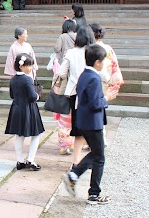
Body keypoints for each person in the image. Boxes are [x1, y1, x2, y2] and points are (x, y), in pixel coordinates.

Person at [63, 44, 118, 205]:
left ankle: (74, 176)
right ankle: (93, 193)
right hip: (92, 122)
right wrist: (106, 98)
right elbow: (95, 103)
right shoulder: (94, 78)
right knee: (99, 157)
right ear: (98, 63)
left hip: (84, 120)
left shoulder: (84, 74)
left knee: (96, 153)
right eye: (104, 61)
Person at [56, 26, 107, 166]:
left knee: (78, 129)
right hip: (92, 93)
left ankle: (76, 161)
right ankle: (93, 156)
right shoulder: (93, 52)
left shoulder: (71, 53)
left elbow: (61, 73)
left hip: (74, 93)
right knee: (93, 127)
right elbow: (102, 73)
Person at [5, 53, 45, 171]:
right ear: (21, 66)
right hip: (29, 109)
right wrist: (37, 95)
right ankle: (31, 160)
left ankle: (20, 160)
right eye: (29, 65)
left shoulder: (13, 79)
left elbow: (12, 95)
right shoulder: (27, 79)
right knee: (36, 134)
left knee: (19, 135)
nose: (31, 68)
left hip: (16, 108)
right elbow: (33, 97)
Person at [53, 19, 77, 155]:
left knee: (64, 117)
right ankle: (76, 142)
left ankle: (64, 144)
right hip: (77, 81)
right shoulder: (78, 37)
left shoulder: (62, 37)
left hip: (65, 73)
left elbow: (57, 49)